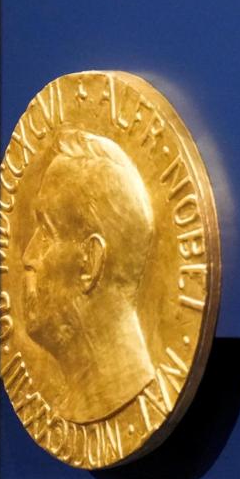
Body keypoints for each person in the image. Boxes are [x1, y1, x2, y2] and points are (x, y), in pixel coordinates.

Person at [22, 128, 157, 422]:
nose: (27, 257)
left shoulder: (126, 391)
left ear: (90, 262)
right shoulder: (68, 404)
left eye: (46, 232)